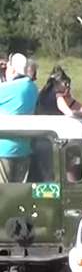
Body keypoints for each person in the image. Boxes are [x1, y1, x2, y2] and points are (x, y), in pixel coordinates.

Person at [0, 53, 39, 183]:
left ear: (12, 69)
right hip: (23, 148)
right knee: (18, 194)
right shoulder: (32, 88)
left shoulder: (6, 89)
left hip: (3, 149)